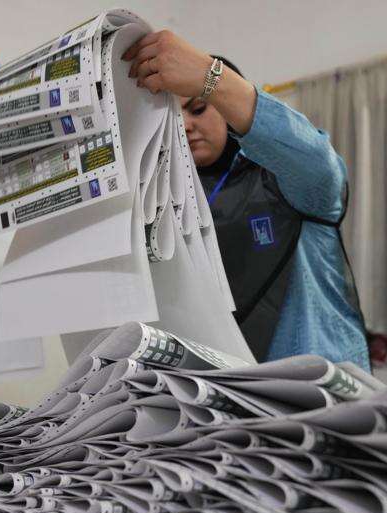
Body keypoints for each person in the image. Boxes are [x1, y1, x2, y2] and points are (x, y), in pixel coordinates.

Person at [123, 32, 370, 371]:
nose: (186, 125)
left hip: (320, 383)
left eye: (198, 108)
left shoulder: (282, 177)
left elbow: (321, 167)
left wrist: (211, 77)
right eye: (173, 118)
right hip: (231, 389)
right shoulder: (167, 198)